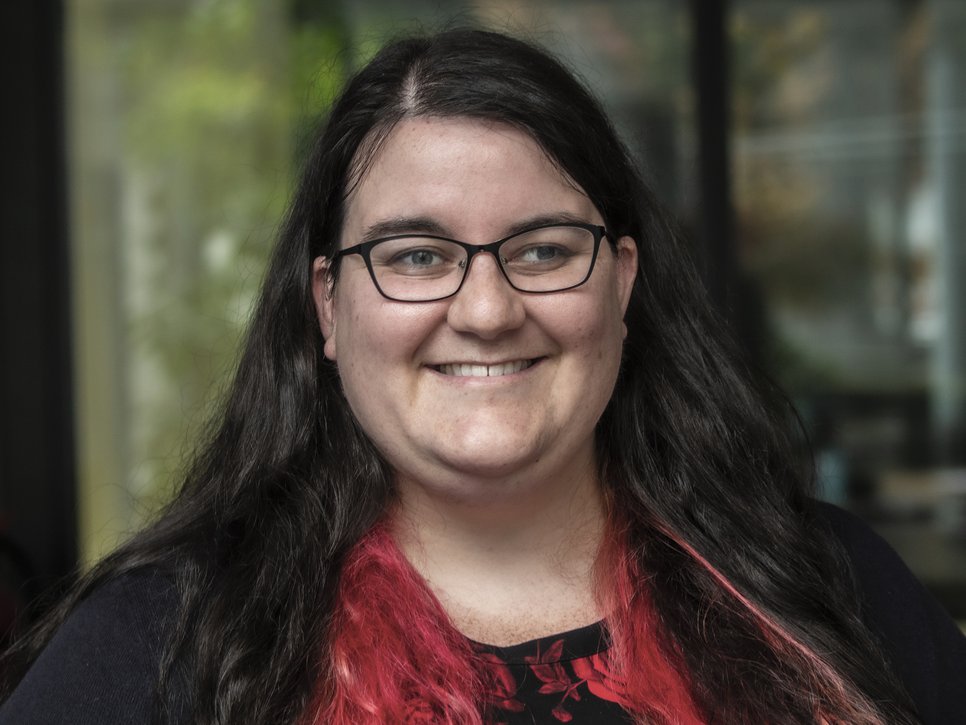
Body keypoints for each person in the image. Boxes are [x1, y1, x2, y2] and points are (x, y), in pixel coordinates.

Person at [1, 28, 964, 725]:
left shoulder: (833, 590)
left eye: (543, 249)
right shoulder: (159, 645)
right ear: (329, 307)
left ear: (622, 283)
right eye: (417, 255)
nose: (489, 309)